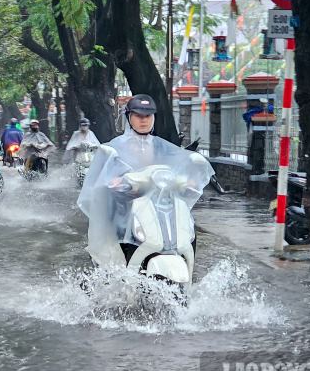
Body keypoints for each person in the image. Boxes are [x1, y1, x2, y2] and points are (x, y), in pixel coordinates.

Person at [77, 94, 214, 267]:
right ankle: (117, 275)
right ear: (129, 117)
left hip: (158, 206)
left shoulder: (163, 147)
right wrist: (114, 183)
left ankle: (188, 275)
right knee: (118, 233)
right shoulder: (114, 148)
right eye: (138, 116)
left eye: (148, 116)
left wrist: (188, 181)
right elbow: (102, 179)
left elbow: (179, 164)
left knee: (188, 229)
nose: (144, 120)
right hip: (127, 209)